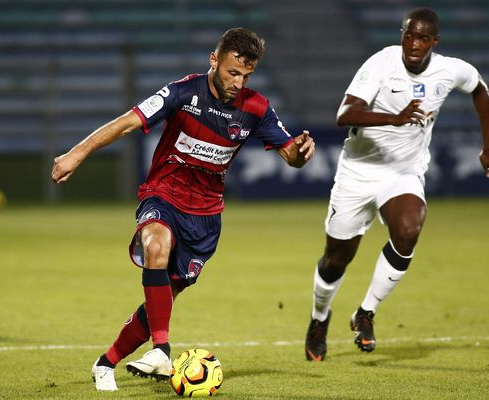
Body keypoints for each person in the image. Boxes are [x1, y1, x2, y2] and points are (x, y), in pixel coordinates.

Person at [51, 28, 315, 391]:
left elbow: (291, 156)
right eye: (231, 72)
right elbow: (127, 122)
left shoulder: (256, 109)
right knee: (155, 246)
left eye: (246, 76)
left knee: (162, 298)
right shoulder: (182, 92)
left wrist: (300, 151)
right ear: (214, 60)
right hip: (164, 195)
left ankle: (106, 362)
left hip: (205, 218)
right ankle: (162, 349)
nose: (238, 82)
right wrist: (76, 153)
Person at [304, 7, 489, 361]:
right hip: (358, 172)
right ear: (402, 34)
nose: (413, 43)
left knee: (408, 229)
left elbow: (480, 90)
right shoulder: (382, 63)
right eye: (409, 34)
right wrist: (393, 118)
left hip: (403, 173)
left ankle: (365, 312)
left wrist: (487, 145)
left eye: (422, 37)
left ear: (434, 42)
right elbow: (343, 114)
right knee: (336, 259)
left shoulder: (449, 69)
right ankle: (319, 319)